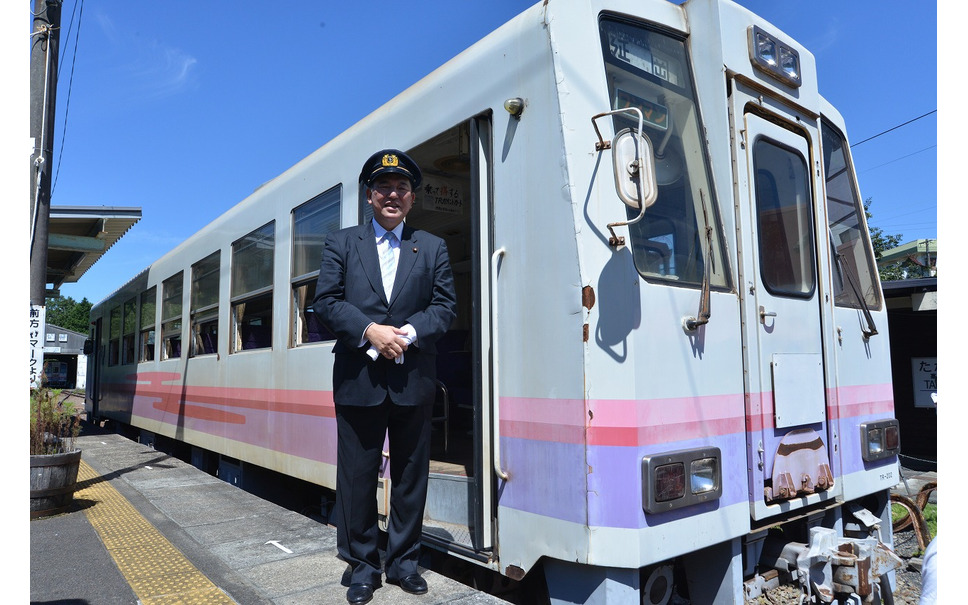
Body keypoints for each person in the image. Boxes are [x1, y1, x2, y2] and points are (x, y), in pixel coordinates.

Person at [313, 149, 457, 605]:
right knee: (357, 476)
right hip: (359, 378)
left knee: (411, 475)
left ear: (412, 197)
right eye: (383, 187)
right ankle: (362, 565)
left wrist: (407, 334)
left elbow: (445, 307)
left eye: (401, 188)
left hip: (414, 379)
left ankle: (403, 563)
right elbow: (326, 301)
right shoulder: (341, 243)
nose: (392, 195)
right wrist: (370, 331)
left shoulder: (432, 246)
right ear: (369, 196)